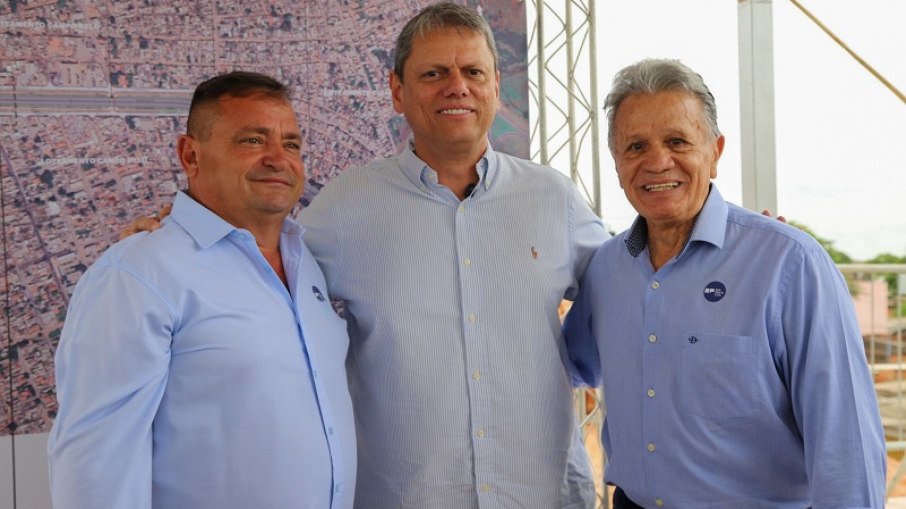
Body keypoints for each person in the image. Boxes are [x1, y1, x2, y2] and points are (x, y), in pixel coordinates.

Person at [120, 4, 608, 507]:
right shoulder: (343, 210)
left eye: (473, 72)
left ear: (496, 84)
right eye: (434, 73)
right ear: (397, 90)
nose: (456, 86)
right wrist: (173, 233)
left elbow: (624, 292)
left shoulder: (556, 199)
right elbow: (254, 272)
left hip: (542, 495)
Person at [563, 58, 886, 508]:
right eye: (635, 146)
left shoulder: (790, 264)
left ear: (714, 152)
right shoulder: (606, 269)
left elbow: (844, 443)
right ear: (617, 162)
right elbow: (566, 366)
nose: (657, 161)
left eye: (677, 141)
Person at [48, 71, 356, 509]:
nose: (278, 158)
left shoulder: (307, 262)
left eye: (291, 144)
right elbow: (95, 470)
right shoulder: (138, 276)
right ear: (190, 156)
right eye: (253, 140)